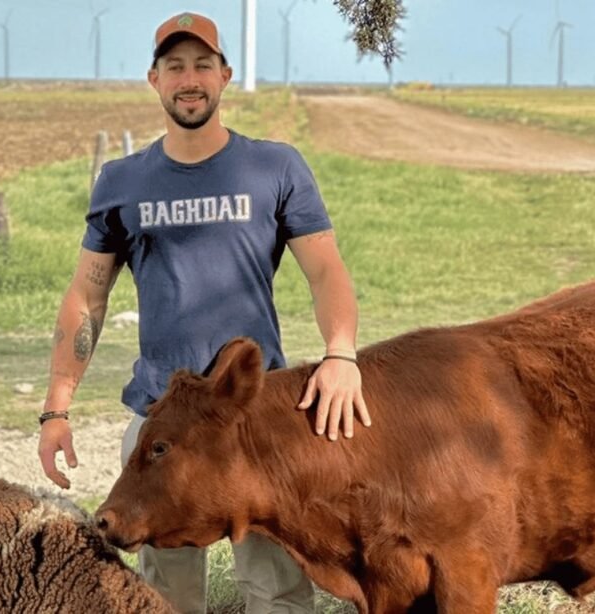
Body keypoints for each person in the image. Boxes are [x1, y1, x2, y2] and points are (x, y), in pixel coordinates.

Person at [37, 11, 369, 614]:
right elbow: (87, 294)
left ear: (225, 75)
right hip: (159, 425)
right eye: (175, 67)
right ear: (154, 80)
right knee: (164, 599)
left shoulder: (275, 167)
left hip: (257, 423)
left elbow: (326, 271)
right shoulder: (123, 180)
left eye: (201, 66)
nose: (189, 79)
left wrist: (341, 354)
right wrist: (56, 407)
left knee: (278, 594)